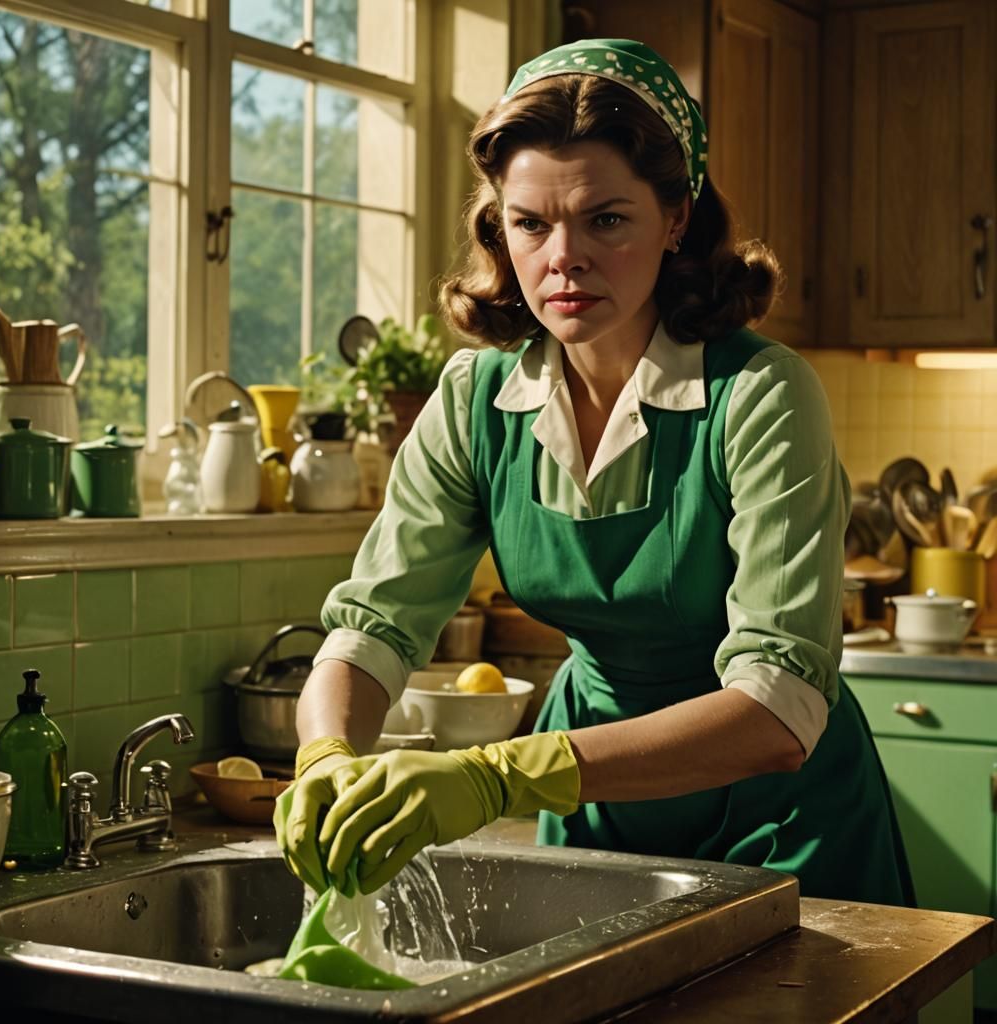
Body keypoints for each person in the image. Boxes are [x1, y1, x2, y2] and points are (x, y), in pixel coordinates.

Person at [274, 38, 914, 908]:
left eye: (605, 219)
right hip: (594, 804)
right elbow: (375, 627)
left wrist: (503, 775)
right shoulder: (474, 399)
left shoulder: (759, 394)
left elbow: (782, 702)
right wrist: (325, 754)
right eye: (531, 223)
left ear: (676, 218)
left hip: (782, 812)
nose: (562, 257)